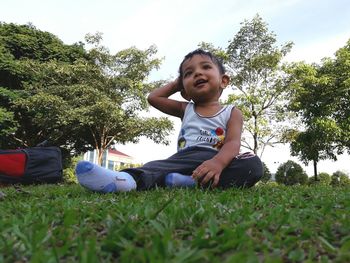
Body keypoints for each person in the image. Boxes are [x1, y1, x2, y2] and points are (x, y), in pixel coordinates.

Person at [75, 49, 263, 193]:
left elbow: (232, 143)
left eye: (205, 67)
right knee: (156, 167)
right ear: (184, 91)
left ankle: (189, 183)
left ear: (224, 80)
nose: (197, 73)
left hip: (216, 159)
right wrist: (176, 83)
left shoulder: (232, 112)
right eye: (189, 73)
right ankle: (123, 181)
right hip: (183, 159)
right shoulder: (185, 108)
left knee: (252, 165)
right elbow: (153, 98)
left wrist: (217, 163)